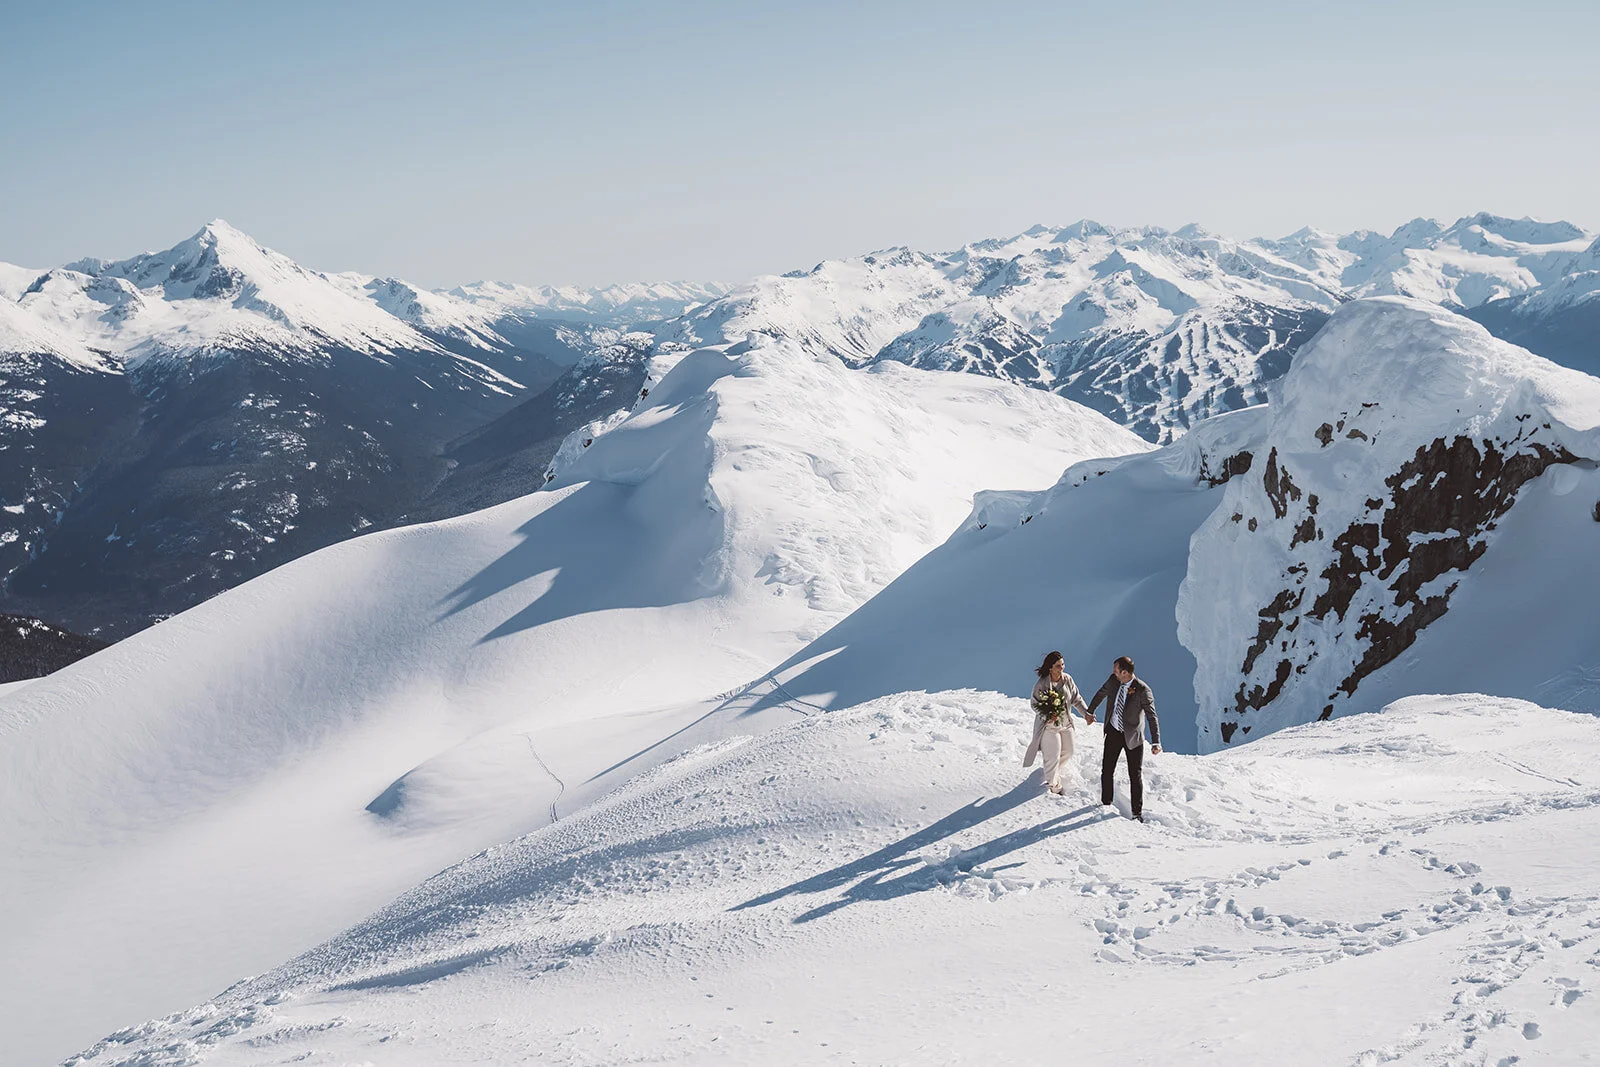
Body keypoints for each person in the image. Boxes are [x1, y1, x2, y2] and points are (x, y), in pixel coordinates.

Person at [1086, 656, 1161, 822]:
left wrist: (1156, 741)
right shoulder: (1113, 681)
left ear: (1125, 672)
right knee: (1107, 769)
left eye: (1116, 670)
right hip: (1113, 732)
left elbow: (1151, 716)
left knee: (1135, 775)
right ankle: (1106, 803)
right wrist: (1090, 712)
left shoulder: (1142, 690)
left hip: (1133, 737)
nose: (1113, 672)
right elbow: (1101, 693)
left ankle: (1136, 813)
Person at [1023, 651, 1089, 795]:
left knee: (1069, 751)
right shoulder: (1042, 683)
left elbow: (1076, 699)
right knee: (1053, 755)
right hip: (1049, 727)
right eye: (1058, 666)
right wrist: (1047, 714)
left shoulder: (1067, 679)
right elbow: (1034, 704)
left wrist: (1086, 714)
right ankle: (1054, 787)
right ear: (1050, 667)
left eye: (1063, 664)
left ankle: (1052, 771)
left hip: (1066, 725)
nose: (1062, 668)